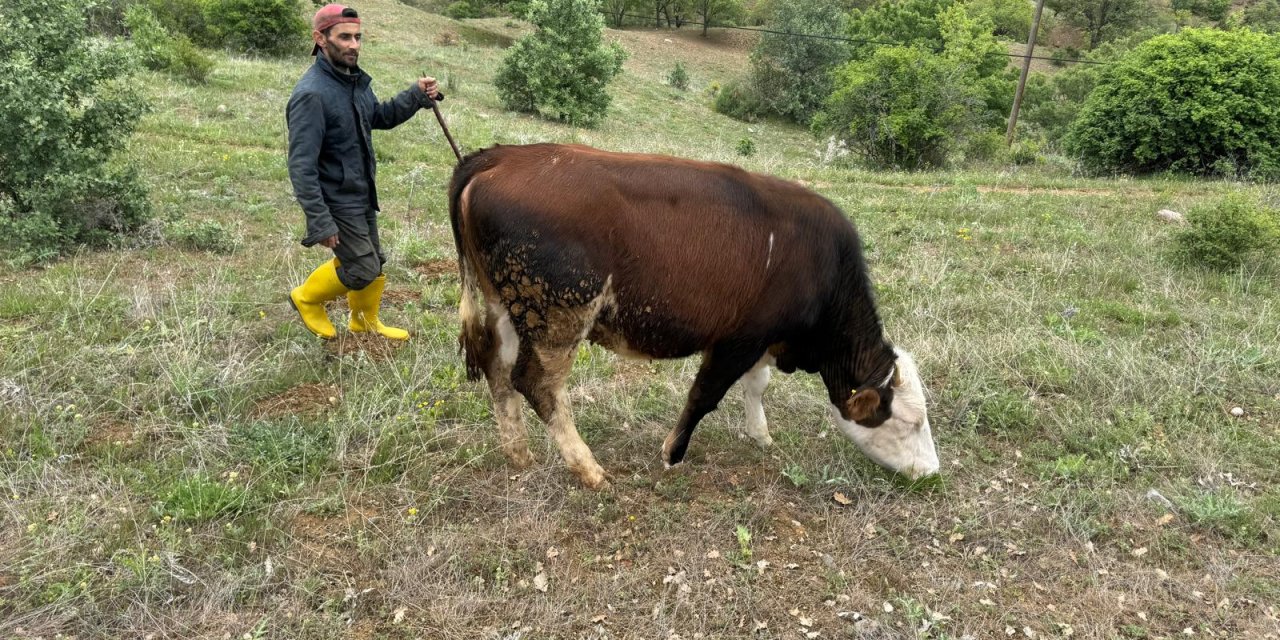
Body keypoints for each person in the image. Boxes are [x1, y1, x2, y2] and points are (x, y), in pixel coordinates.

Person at [286, 3, 441, 341]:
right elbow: (301, 165)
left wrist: (416, 96)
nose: (354, 45)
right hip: (336, 200)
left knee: (376, 261)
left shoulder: (352, 82)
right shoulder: (311, 94)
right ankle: (307, 298)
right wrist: (320, 220)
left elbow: (379, 117)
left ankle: (364, 322)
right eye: (344, 37)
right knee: (362, 268)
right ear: (320, 38)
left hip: (361, 192)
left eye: (358, 37)